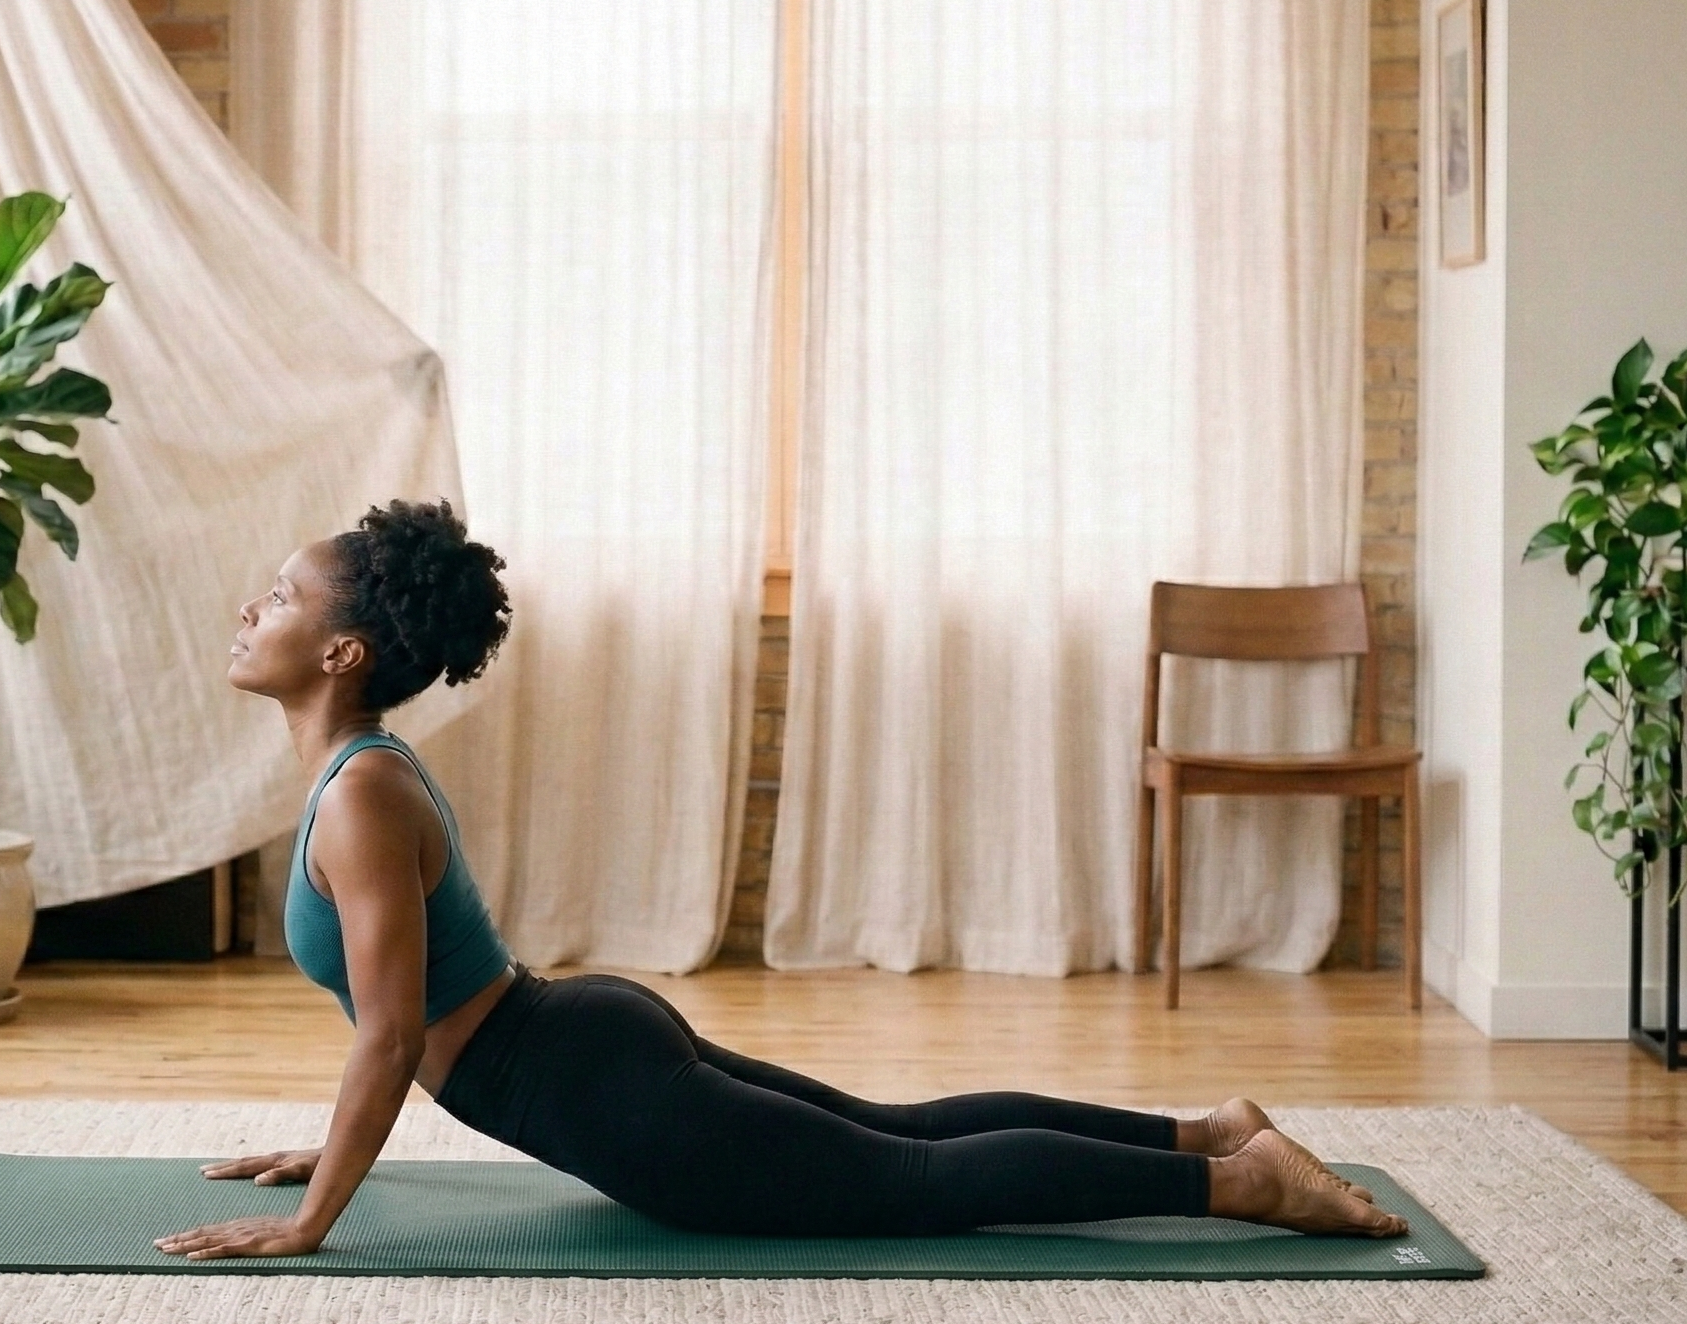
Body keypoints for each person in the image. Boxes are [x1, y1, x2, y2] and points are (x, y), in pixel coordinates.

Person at [155, 499, 1405, 1261]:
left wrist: (314, 1214)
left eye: (278, 594)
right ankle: (1209, 1131)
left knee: (908, 1182)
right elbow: (398, 1028)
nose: (248, 609)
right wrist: (321, 1158)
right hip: (581, 1047)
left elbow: (388, 1036)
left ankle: (1237, 1184)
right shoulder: (359, 777)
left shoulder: (363, 791)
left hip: (588, 1085)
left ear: (339, 648)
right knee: (898, 1137)